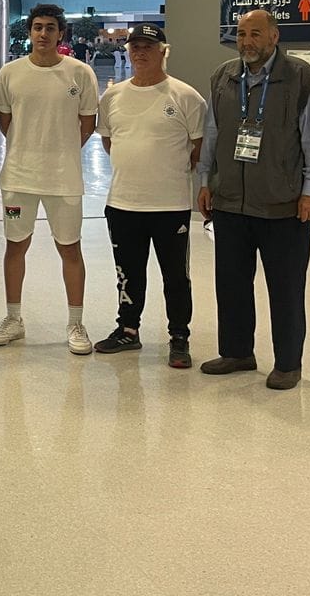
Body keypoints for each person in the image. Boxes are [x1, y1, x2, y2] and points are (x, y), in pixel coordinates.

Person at [196, 9, 310, 390]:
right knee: (231, 284)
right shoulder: (223, 77)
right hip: (230, 202)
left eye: (255, 34)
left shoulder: (300, 79)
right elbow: (212, 134)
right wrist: (206, 181)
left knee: (286, 288)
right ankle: (237, 352)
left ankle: (288, 363)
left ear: (274, 37)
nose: (246, 42)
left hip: (283, 205)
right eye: (241, 34)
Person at [0, 3, 100, 355]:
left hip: (63, 179)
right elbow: (5, 122)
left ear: (60, 33)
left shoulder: (80, 73)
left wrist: (60, 151)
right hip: (19, 177)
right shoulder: (10, 73)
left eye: (50, 27)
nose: (43, 33)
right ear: (30, 32)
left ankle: (75, 323)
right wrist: (29, 149)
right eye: (37, 27)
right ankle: (13, 318)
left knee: (70, 248)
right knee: (15, 246)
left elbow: (88, 123)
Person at [94, 24, 206, 368]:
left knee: (176, 276)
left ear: (163, 51)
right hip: (123, 203)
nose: (140, 53)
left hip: (170, 205)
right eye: (135, 47)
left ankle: (179, 337)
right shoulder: (112, 97)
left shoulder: (186, 96)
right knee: (128, 274)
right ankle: (128, 330)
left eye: (148, 47)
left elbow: (198, 149)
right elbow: (109, 141)